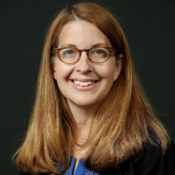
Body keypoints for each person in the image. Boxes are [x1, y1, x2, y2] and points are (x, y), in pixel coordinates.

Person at [14, 2, 175, 175]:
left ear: (118, 66)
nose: (84, 67)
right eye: (69, 52)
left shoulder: (152, 154)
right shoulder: (39, 153)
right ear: (52, 66)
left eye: (98, 52)